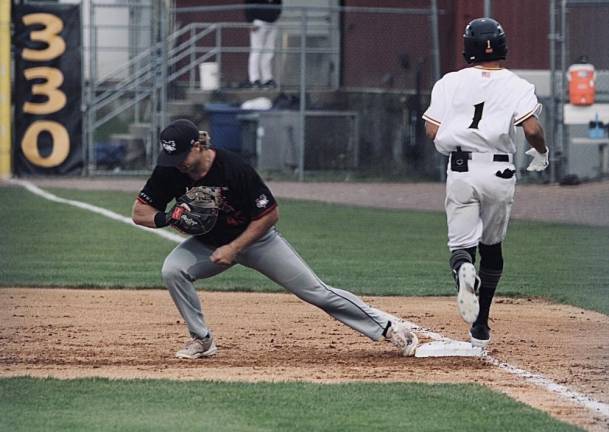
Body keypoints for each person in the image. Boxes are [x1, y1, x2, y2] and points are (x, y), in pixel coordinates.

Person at [132, 119, 418, 359]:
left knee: (315, 291)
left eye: (181, 155)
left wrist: (235, 247)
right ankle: (202, 340)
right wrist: (169, 218)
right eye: (171, 157)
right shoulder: (170, 169)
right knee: (173, 269)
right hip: (210, 244)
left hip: (257, 240)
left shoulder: (233, 168)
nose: (177, 163)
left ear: (197, 146)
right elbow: (140, 213)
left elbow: (269, 214)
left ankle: (387, 326)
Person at [422, 18, 549, 348]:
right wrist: (542, 153)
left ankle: (464, 268)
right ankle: (480, 326)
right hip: (499, 171)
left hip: (462, 168)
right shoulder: (518, 85)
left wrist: (459, 129)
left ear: (468, 49)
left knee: (461, 247)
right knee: (492, 249)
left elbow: (432, 131)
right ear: (502, 47)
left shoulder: (449, 82)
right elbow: (532, 130)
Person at [243, 0, 282, 89]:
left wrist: (277, 15)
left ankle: (267, 78)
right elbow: (248, 4)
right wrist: (250, 22)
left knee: (269, 52)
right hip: (259, 22)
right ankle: (254, 79)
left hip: (272, 22)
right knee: (256, 50)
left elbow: (279, 3)